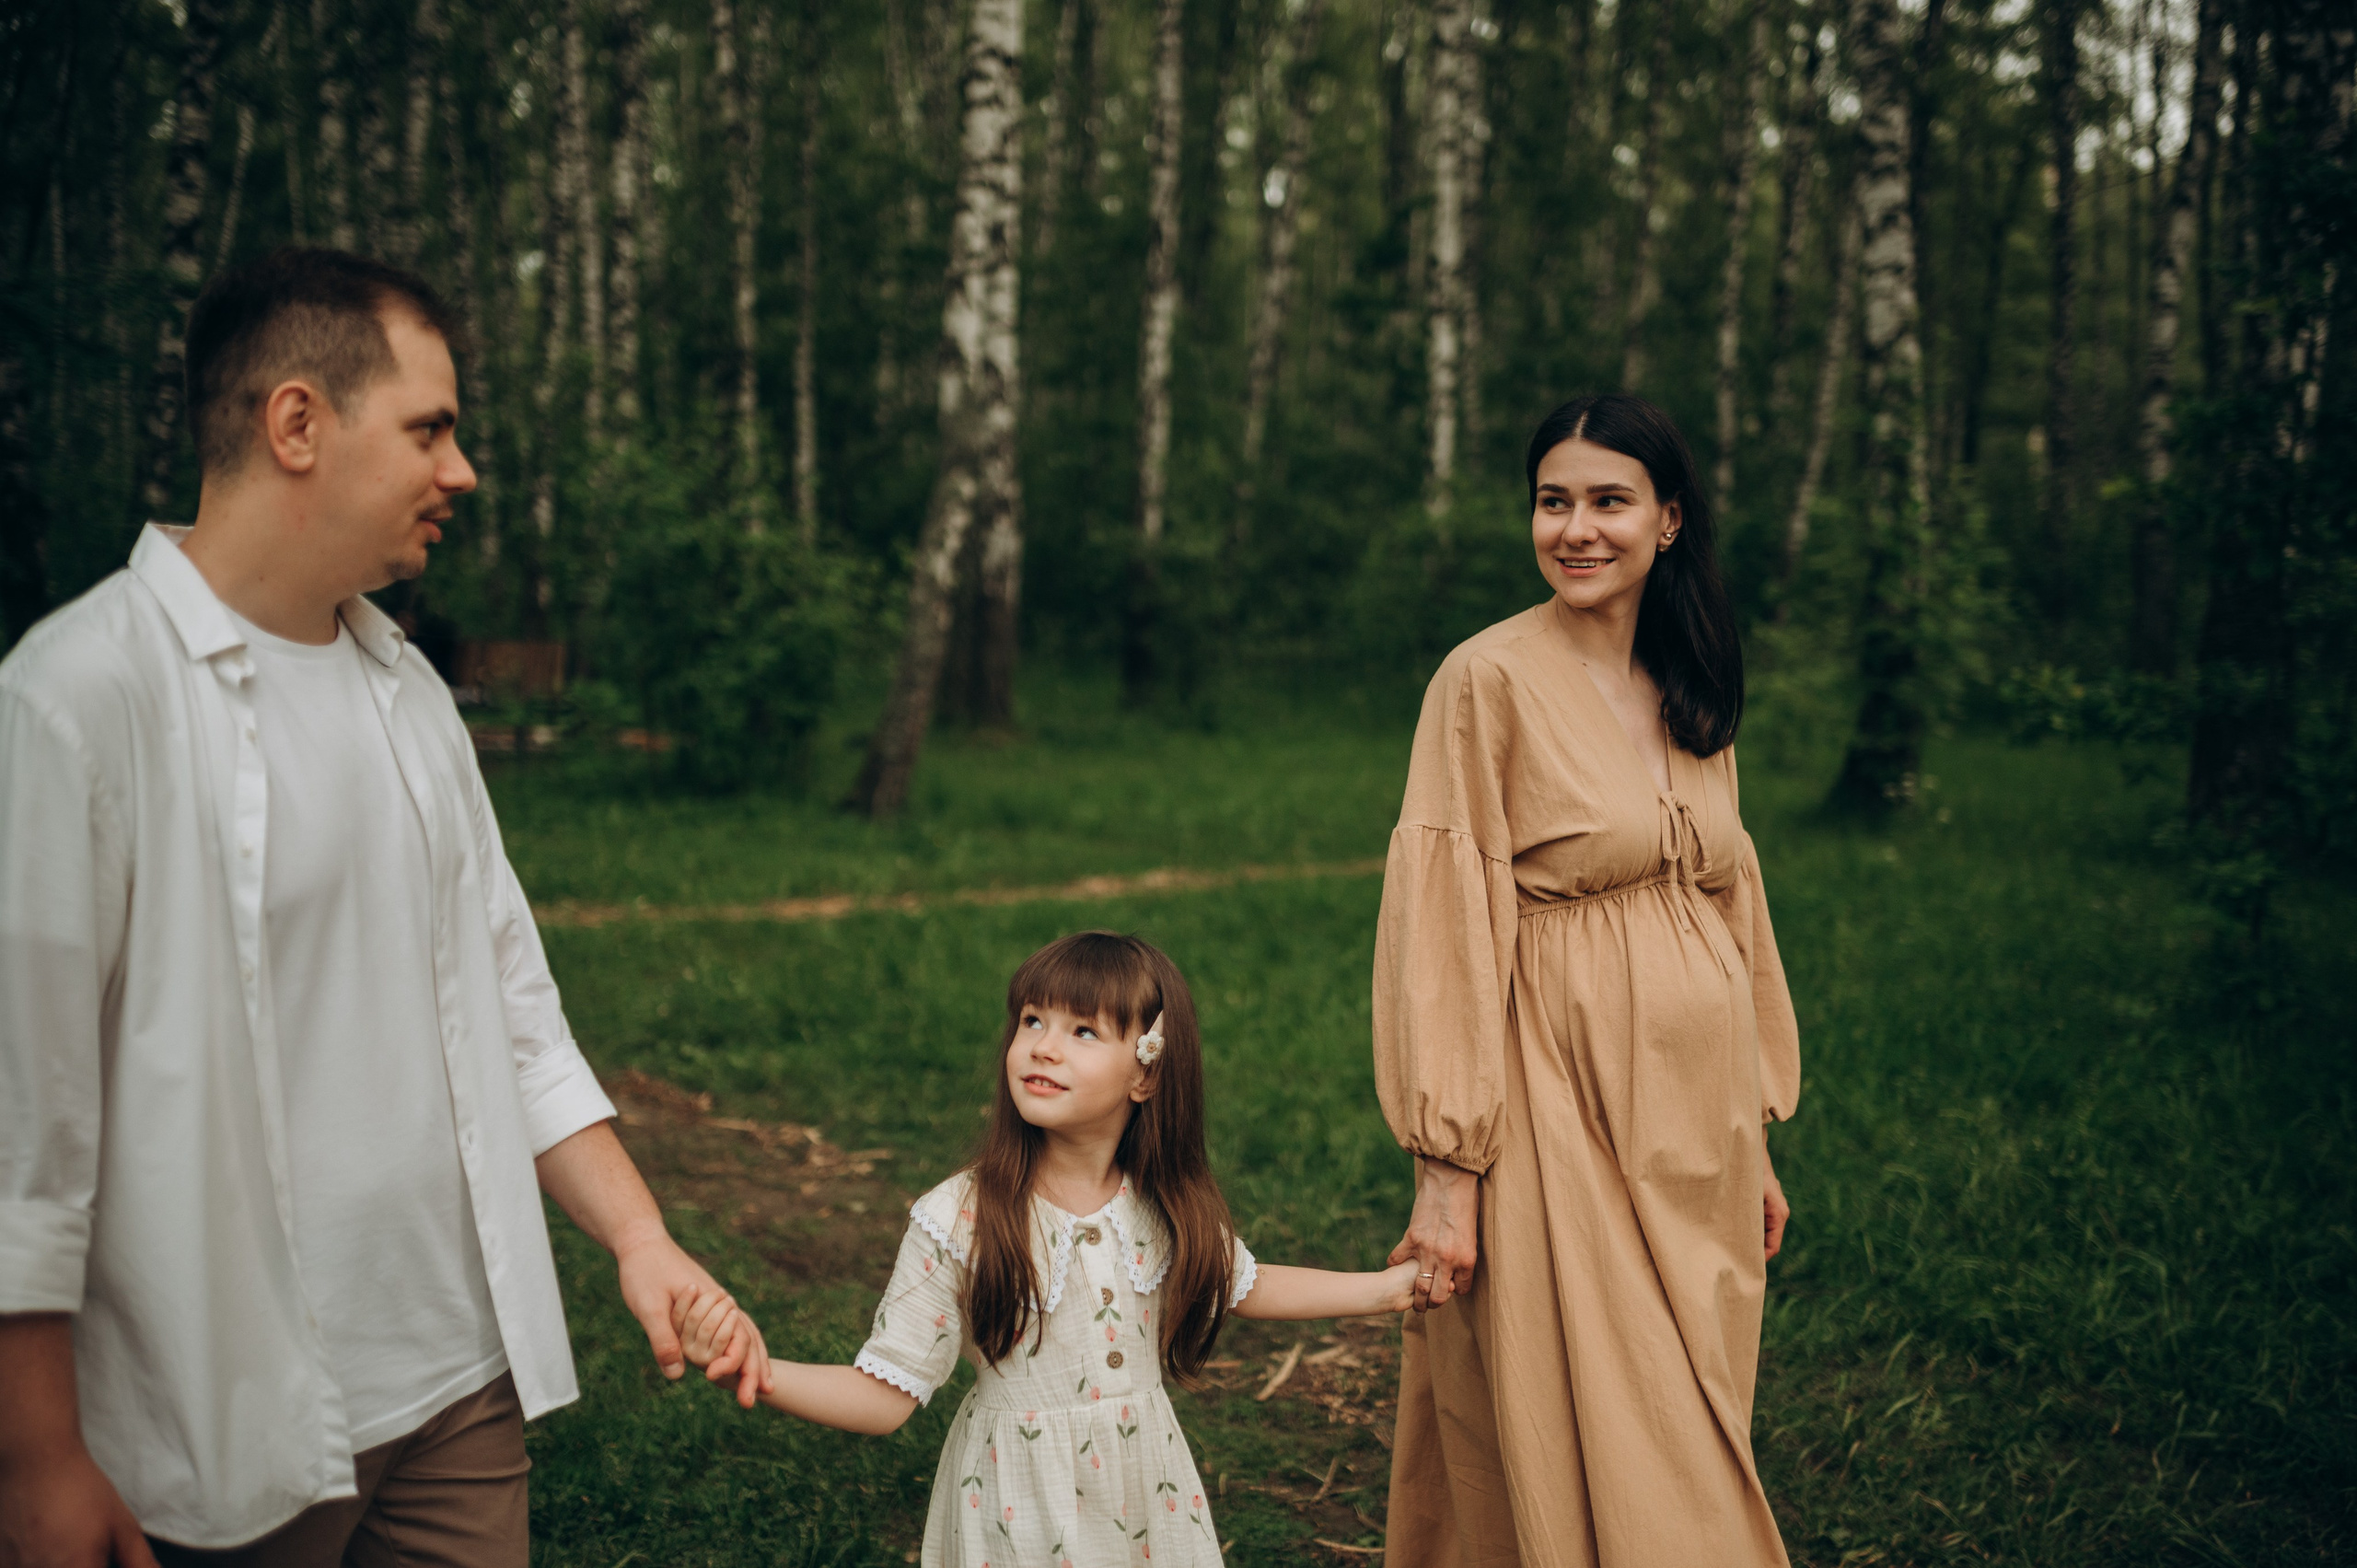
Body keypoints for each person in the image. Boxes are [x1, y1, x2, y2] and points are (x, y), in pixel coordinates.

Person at [0, 247, 771, 1568]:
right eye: (431, 428)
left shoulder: (404, 688)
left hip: (458, 1393)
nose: (461, 471)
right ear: (296, 423)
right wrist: (37, 1458)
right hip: (219, 1417)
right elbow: (24, 1131)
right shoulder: (75, 700)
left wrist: (643, 1239)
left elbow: (514, 1003)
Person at [1375, 393, 1802, 1566]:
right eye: (1552, 501)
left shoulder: (1693, 677)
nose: (1575, 528)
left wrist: (1755, 1128)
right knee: (1600, 1407)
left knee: (1689, 1401)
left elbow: (1733, 897)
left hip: (1694, 1112)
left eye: (1608, 501)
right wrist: (1448, 1171)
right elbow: (1444, 923)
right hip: (1554, 1092)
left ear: (1667, 521)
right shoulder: (1487, 679)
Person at [669, 931, 1422, 1567]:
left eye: (1083, 1031)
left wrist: (1389, 1291)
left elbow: (1244, 1283)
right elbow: (885, 1397)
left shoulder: (1159, 1205)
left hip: (1145, 1490)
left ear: (1147, 1071)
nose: (1043, 1046)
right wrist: (761, 1370)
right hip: (1014, 1504)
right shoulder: (957, 1215)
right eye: (1032, 1020)